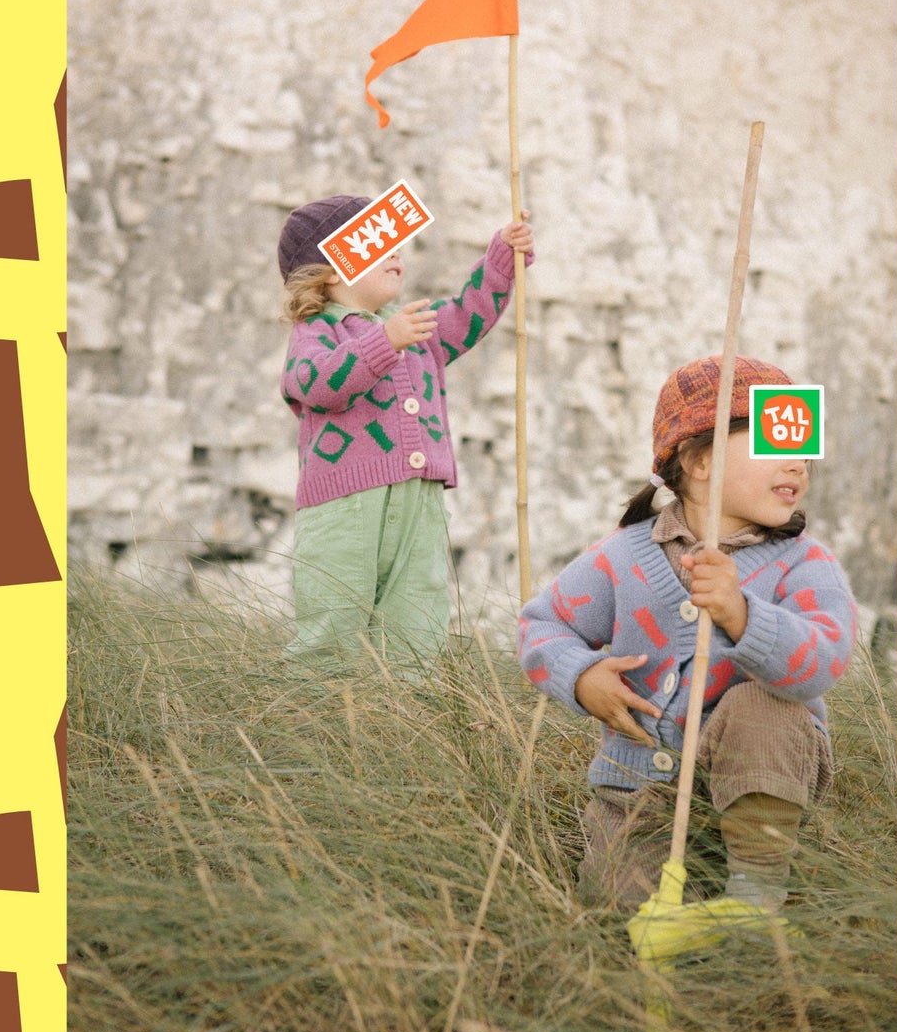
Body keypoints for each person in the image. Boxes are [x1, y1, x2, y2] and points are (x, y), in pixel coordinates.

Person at [519, 354, 854, 917]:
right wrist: (581, 678)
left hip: (764, 780)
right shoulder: (624, 555)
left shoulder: (805, 563)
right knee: (624, 921)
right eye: (776, 446)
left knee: (761, 705)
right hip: (640, 793)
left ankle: (756, 895)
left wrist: (742, 613)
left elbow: (822, 663)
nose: (798, 466)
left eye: (803, 452)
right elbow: (541, 624)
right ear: (698, 461)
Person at [277, 193, 533, 675]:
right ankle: (314, 726)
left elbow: (468, 312)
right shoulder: (315, 332)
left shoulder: (416, 331)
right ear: (331, 269)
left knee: (416, 626)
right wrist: (384, 341)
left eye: (398, 243)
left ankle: (401, 727)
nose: (397, 252)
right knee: (333, 628)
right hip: (344, 507)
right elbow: (316, 384)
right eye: (379, 244)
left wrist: (502, 256)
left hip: (420, 502)